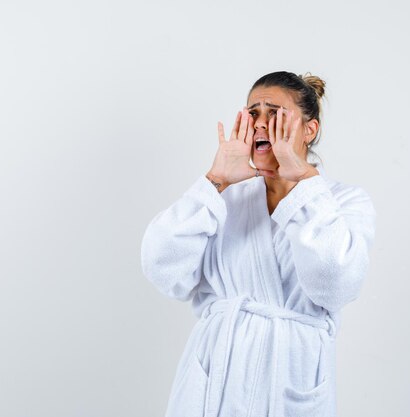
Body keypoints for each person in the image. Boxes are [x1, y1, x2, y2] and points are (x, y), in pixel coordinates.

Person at [140, 71, 377, 417]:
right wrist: (214, 181)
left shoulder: (342, 202)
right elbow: (161, 269)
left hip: (290, 381)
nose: (261, 123)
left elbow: (334, 286)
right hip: (215, 382)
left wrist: (303, 187)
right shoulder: (226, 197)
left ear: (309, 130)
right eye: (253, 113)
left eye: (275, 113)